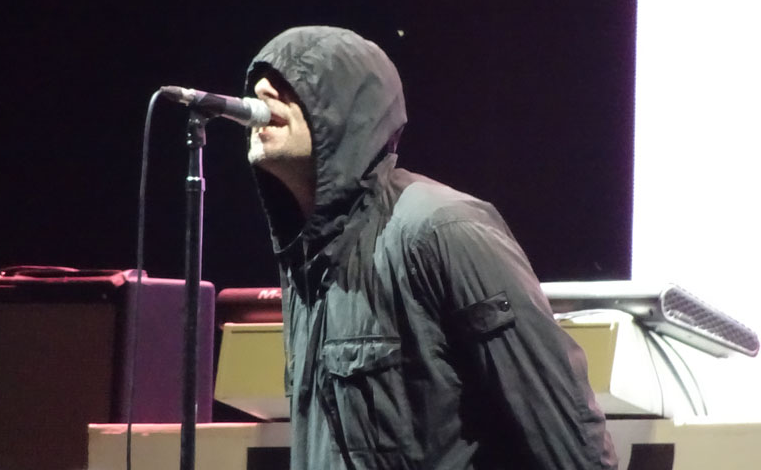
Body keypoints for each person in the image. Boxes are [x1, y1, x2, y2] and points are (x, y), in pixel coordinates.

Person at [244, 26, 617, 469]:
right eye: (260, 78)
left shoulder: (441, 227)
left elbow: (563, 429)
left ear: (349, 109)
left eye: (290, 83)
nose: (262, 89)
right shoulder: (308, 262)